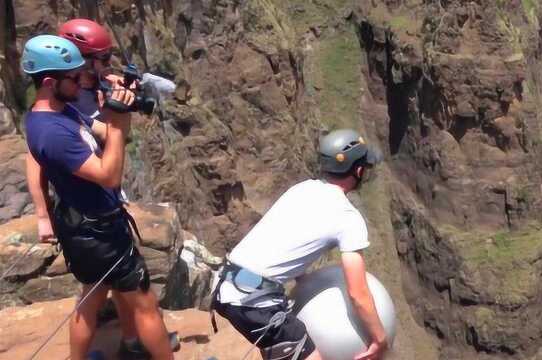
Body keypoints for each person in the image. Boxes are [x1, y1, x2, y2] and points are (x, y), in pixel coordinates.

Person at [22, 34, 174, 360]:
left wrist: (122, 107)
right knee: (146, 305)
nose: (83, 82)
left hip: (83, 225)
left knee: (91, 296)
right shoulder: (52, 132)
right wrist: (118, 124)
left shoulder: (59, 111)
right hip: (100, 233)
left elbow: (102, 131)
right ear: (50, 81)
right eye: (75, 78)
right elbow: (109, 174)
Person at [211, 129, 389, 360]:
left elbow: (285, 234)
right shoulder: (348, 218)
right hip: (252, 302)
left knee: (285, 350)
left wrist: (304, 280)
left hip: (225, 281)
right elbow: (358, 293)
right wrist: (380, 339)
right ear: (358, 170)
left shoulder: (303, 188)